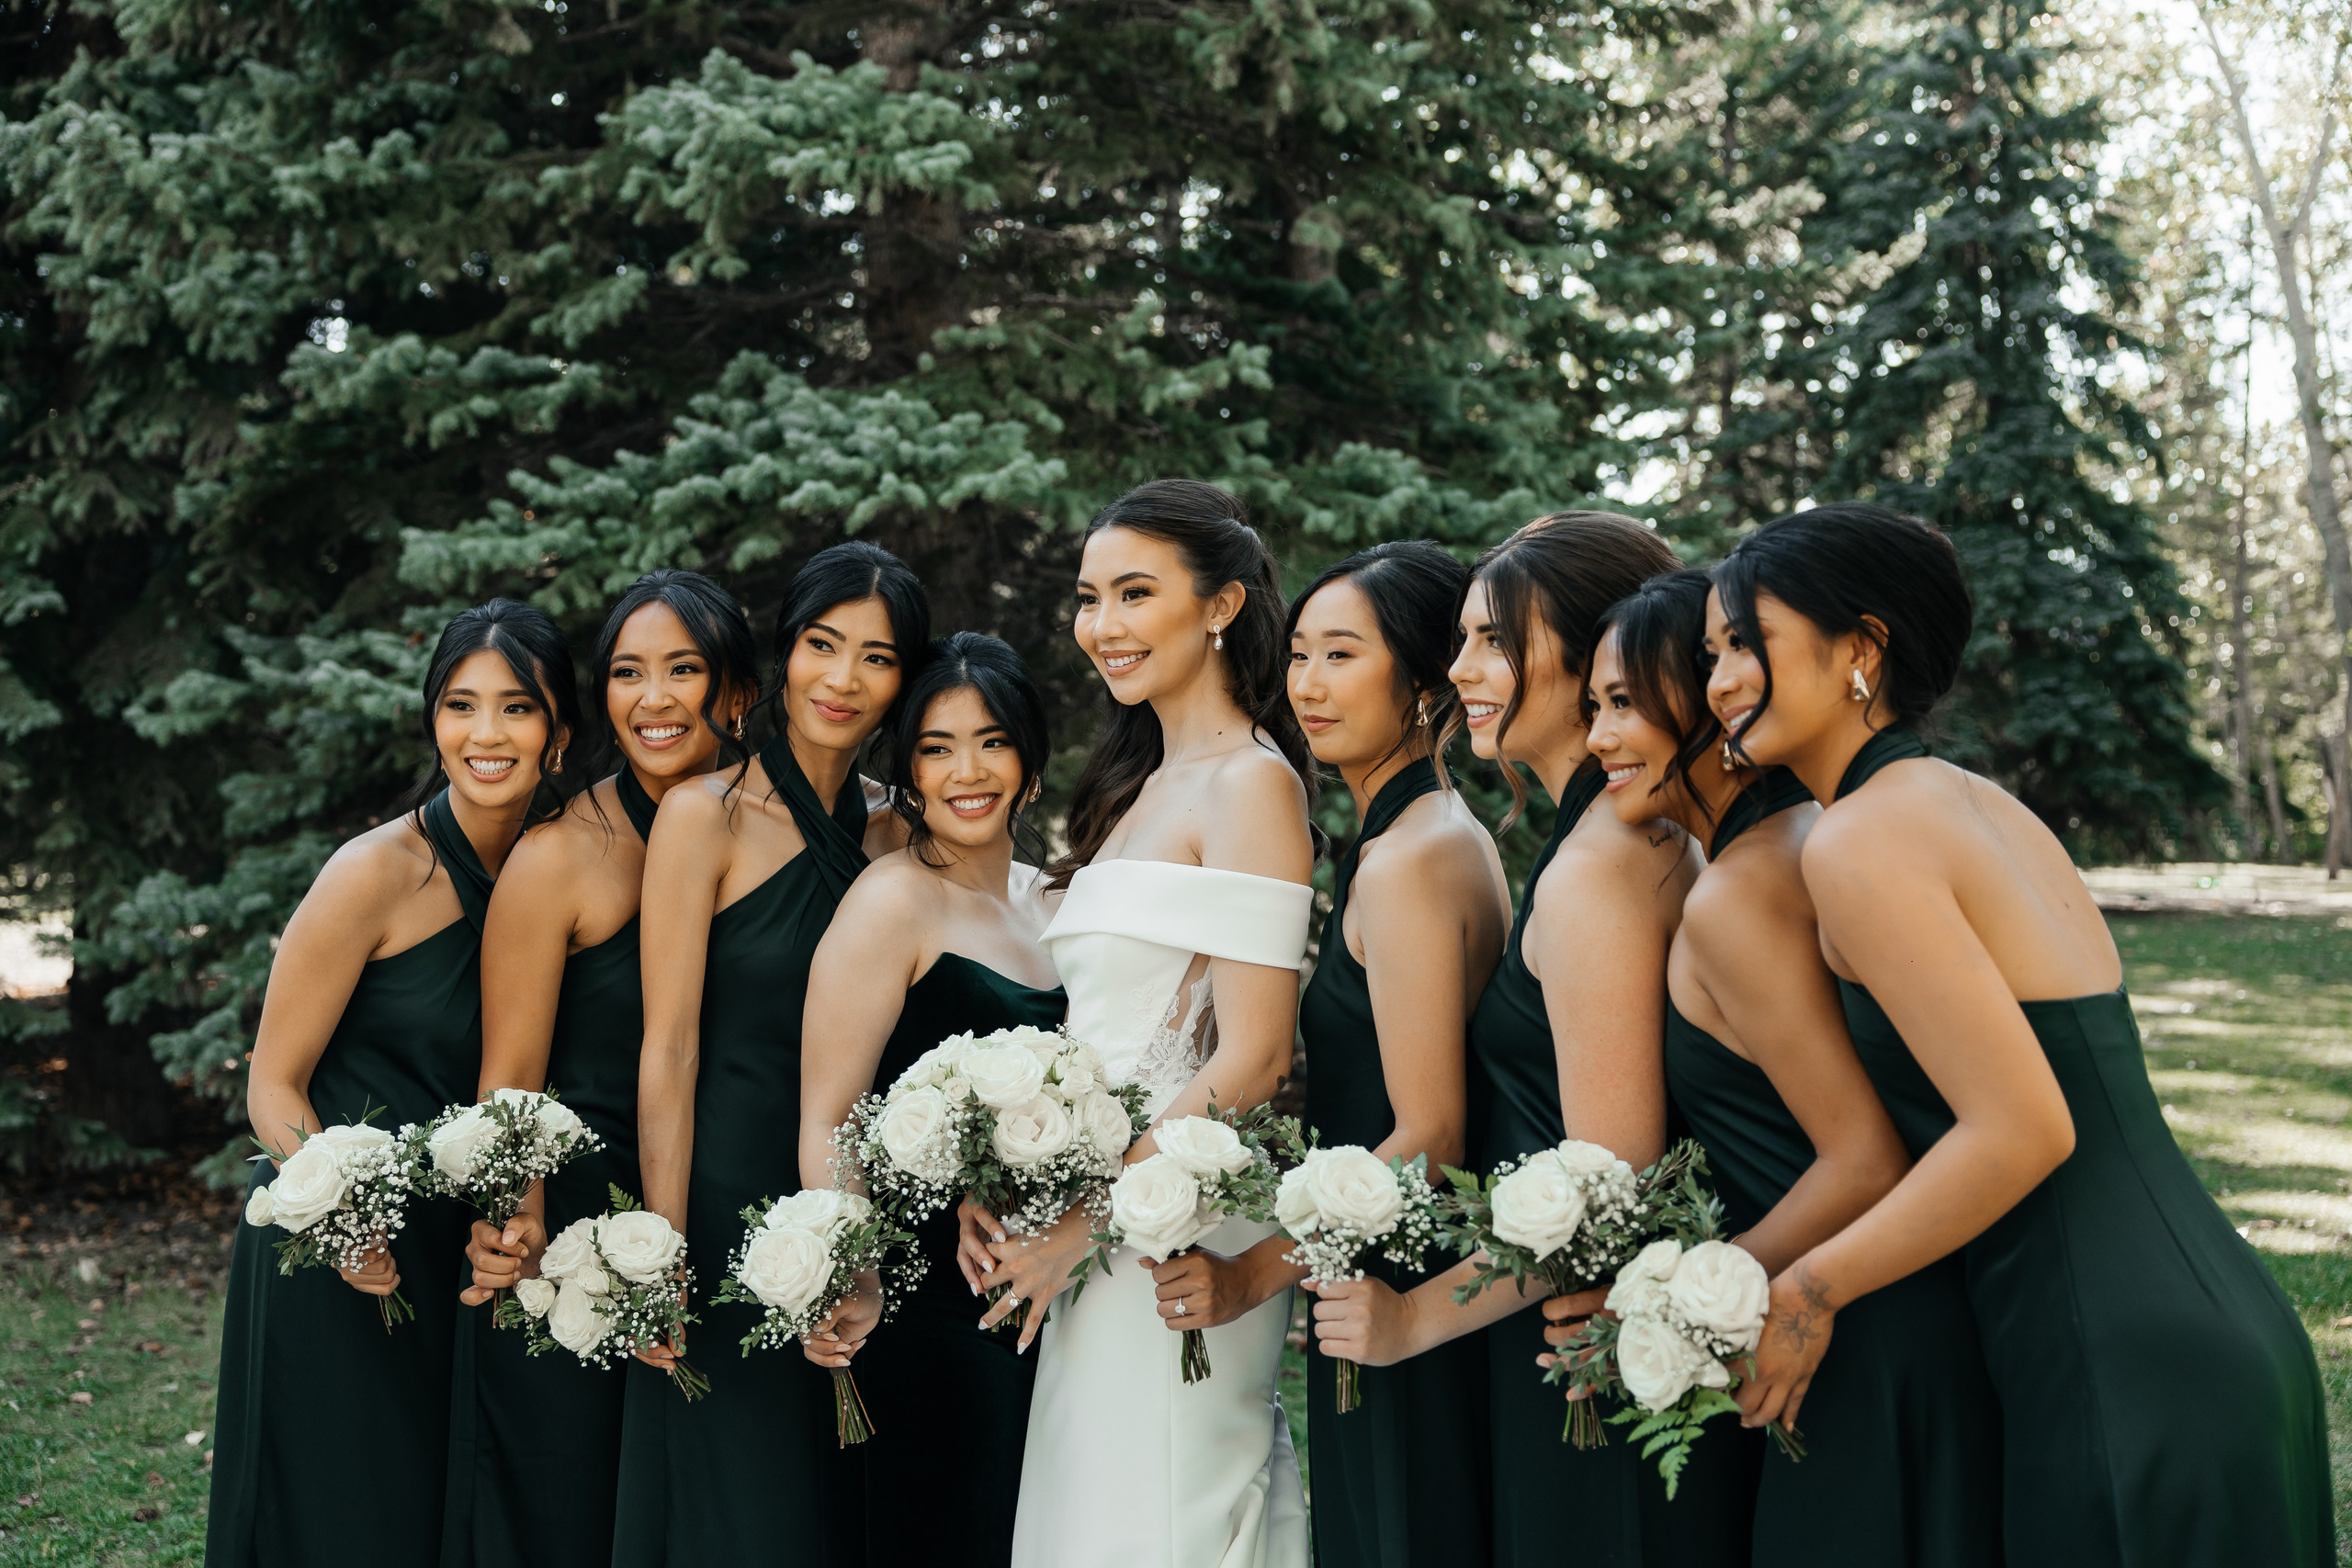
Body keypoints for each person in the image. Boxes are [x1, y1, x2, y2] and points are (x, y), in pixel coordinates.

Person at [1714, 502, 2332, 1568]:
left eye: (1745, 641)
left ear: (1860, 647)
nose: (1719, 678)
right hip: (2221, 1323)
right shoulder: (1973, 802)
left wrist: (1806, 1289)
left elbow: (2021, 1128)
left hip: (2108, 1355)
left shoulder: (1858, 841)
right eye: (1713, 650)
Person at [1308, 513, 1756, 1568]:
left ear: (1599, 645)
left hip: (1590, 1361)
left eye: (1494, 640)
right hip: (1564, 1328)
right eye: (1464, 638)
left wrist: (1413, 1320)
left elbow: (1613, 1174)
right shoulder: (1591, 839)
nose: (1460, 667)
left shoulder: (1602, 866)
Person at [1575, 567, 2000, 1566]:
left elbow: (1861, 1159)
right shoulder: (1781, 845)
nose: (1597, 740)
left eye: (1625, 704)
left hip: (1856, 1339)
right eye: (1593, 707)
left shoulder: (1744, 891)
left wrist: (1676, 1305)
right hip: (1865, 1312)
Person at [1136, 540, 1505, 1566]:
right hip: (1369, 1263)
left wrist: (1258, 1273)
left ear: (1426, 686)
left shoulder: (1413, 863)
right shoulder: (1423, 836)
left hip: (1393, 1283)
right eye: (1298, 654)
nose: (1306, 684)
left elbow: (1428, 1134)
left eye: (1342, 655)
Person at [976, 480, 1317, 1568]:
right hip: (1098, 1217)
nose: (1102, 626)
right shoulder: (1133, 785)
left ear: (1220, 607)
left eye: (1134, 594)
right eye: (1089, 598)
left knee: (1159, 1521)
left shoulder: (1253, 786)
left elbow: (1255, 1056)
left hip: (1168, 1228)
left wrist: (1092, 1226)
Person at [208, 601, 578, 1568]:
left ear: (561, 735)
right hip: (340, 1243)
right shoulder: (374, 874)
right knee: (340, 1512)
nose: (486, 735)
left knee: (434, 1512)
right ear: (433, 725)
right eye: (461, 706)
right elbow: (275, 1086)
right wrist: (339, 1216)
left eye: (517, 709)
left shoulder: (567, 876)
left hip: (463, 1250)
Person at [614, 541, 929, 1568]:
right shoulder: (701, 818)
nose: (842, 679)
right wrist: (659, 1248)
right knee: (739, 1502)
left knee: (839, 1498)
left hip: (853, 1191)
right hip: (718, 1195)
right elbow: (666, 1048)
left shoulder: (895, 833)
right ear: (783, 657)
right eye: (822, 645)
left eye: (875, 658)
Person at [450, 571, 758, 1565]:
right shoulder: (559, 857)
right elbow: (511, 1078)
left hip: (734, 1205)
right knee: (566, 1511)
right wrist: (517, 1223)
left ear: (737, 691)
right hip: (578, 1228)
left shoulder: (778, 828)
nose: (654, 699)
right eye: (628, 673)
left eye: (684, 670)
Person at [797, 632, 1066, 1568]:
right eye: (936, 747)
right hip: (925, 1304)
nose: (967, 771)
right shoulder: (892, 901)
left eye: (991, 742)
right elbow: (829, 1114)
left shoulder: (1058, 903)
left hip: (1053, 1287)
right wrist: (859, 1267)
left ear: (1029, 764)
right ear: (908, 772)